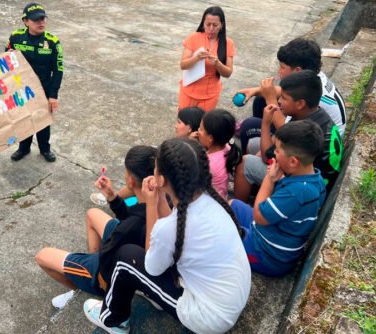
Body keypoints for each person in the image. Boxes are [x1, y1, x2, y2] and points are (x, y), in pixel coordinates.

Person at [83, 138, 251, 334]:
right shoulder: (211, 200)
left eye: (155, 168)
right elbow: (172, 229)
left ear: (161, 180)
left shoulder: (169, 228)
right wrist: (160, 197)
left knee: (126, 258)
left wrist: (151, 204)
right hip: (232, 297)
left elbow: (151, 267)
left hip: (209, 317)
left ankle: (113, 320)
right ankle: (155, 297)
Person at [35, 146, 157, 308]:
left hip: (105, 273)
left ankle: (80, 288)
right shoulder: (154, 204)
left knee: (42, 256)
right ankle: (88, 263)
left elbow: (120, 239)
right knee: (92, 213)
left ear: (130, 181)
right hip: (129, 245)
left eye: (126, 172)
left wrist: (92, 268)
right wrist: (112, 196)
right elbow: (131, 219)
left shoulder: (129, 228)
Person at [230, 120, 327, 277]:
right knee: (232, 205)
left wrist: (269, 178)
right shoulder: (316, 179)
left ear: (293, 161)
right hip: (272, 234)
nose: (273, 152)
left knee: (217, 238)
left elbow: (259, 216)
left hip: (268, 256)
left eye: (278, 150)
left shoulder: (297, 192)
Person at [233, 70, 342, 202]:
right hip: (316, 179)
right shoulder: (315, 114)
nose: (279, 101)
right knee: (254, 146)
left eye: (284, 98)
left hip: (303, 191)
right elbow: (273, 144)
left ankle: (237, 209)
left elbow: (265, 156)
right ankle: (252, 186)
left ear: (300, 104)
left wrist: (266, 122)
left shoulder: (301, 132)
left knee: (245, 163)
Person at [236, 37, 346, 154]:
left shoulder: (316, 96)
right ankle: (268, 141)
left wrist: (271, 100)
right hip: (312, 131)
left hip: (312, 149)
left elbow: (288, 129)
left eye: (282, 67)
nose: (279, 71)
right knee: (260, 100)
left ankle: (249, 163)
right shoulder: (313, 78)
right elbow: (283, 92)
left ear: (298, 70)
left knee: (249, 125)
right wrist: (256, 90)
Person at [90, 107, 205, 206]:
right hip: (169, 187)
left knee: (138, 175)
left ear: (190, 128)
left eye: (179, 122)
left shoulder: (187, 150)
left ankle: (112, 198)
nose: (176, 126)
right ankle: (112, 197)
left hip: (170, 192)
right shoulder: (189, 145)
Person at [5, 2, 63, 162]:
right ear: (25, 21)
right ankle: (24, 148)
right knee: (24, 120)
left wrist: (53, 95)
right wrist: (8, 56)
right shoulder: (15, 37)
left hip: (43, 88)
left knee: (43, 121)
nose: (41, 22)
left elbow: (58, 70)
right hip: (21, 88)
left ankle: (45, 149)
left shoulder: (53, 42)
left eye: (43, 18)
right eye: (36, 19)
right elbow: (5, 62)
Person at [178, 6, 235, 112]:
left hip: (210, 95)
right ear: (203, 24)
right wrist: (196, 58)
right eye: (208, 24)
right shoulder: (194, 37)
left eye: (215, 25)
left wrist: (218, 64)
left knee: (203, 126)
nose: (211, 28)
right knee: (184, 124)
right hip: (189, 90)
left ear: (221, 25)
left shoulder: (228, 43)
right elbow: (183, 65)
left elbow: (228, 73)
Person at [197, 109, 242, 200]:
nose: (198, 131)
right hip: (222, 196)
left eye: (201, 129)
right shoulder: (228, 147)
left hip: (211, 202)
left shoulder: (208, 163)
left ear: (210, 138)